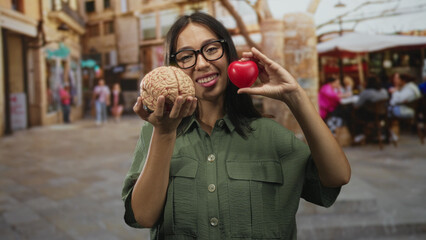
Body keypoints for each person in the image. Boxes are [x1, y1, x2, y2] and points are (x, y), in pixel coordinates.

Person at [122, 12, 350, 240]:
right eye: (186, 56)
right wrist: (164, 133)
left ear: (228, 54)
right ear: (174, 67)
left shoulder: (270, 135)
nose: (201, 64)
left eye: (211, 49)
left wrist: (295, 96)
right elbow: (143, 216)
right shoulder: (155, 132)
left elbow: (338, 176)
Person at [352, 76, 389, 143]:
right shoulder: (384, 91)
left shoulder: (366, 92)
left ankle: (359, 134)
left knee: (354, 113)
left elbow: (356, 106)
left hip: (371, 116)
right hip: (383, 114)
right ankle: (380, 134)